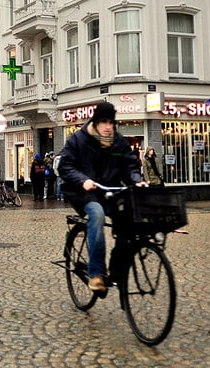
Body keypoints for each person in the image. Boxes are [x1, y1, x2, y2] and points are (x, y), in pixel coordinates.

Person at [57, 101, 146, 294]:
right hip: (84, 194)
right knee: (96, 215)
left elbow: (130, 165)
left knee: (130, 223)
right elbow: (65, 166)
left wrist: (136, 180)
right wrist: (83, 180)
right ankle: (96, 275)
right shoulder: (78, 140)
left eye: (111, 122)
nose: (108, 127)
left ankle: (115, 271)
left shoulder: (118, 141)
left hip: (110, 193)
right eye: (104, 122)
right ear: (95, 122)